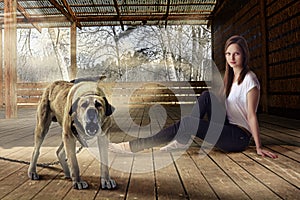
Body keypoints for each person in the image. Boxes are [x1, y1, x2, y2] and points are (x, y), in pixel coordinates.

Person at [109, 35, 278, 159]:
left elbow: (251, 115)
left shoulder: (250, 79)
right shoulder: (229, 79)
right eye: (228, 54)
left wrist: (259, 146)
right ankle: (183, 138)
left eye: (236, 54)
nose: (232, 58)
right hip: (226, 126)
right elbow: (220, 107)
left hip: (237, 137)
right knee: (206, 96)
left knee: (188, 123)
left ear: (244, 55)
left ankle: (133, 146)